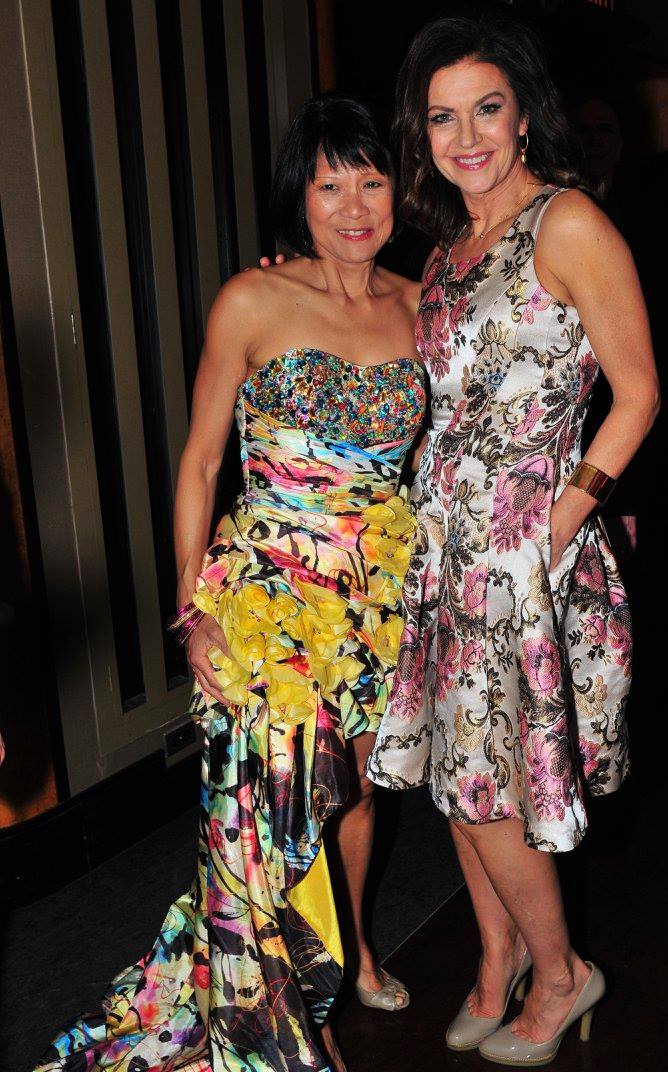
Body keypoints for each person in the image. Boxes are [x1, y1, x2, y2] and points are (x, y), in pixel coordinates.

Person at [35, 95, 425, 1072]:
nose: (352, 205)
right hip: (265, 598)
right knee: (267, 816)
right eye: (329, 184)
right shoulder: (251, 300)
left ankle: (348, 954)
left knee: (351, 794)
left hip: (375, 597)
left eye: (370, 180)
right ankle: (289, 1020)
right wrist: (193, 611)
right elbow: (201, 463)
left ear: (397, 190)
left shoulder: (425, 305)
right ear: (299, 194)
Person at [367, 13, 659, 1067]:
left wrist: (552, 524)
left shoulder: (566, 222)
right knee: (458, 773)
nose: (466, 137)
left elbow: (637, 394)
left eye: (485, 109)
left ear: (524, 111)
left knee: (492, 786)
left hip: (522, 552)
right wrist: (307, 277)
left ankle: (562, 971)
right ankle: (497, 965)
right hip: (444, 547)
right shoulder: (447, 251)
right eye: (442, 118)